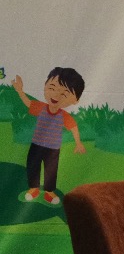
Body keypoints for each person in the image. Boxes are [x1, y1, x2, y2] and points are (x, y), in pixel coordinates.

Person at [14, 67, 86, 206]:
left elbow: (73, 127)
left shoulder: (64, 116)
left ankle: (49, 192)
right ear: (45, 85)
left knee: (51, 170)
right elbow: (28, 103)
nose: (56, 95)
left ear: (75, 100)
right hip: (37, 144)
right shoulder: (40, 107)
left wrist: (78, 143)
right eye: (52, 88)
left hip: (53, 149)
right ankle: (33, 189)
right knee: (33, 165)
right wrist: (20, 91)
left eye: (64, 94)